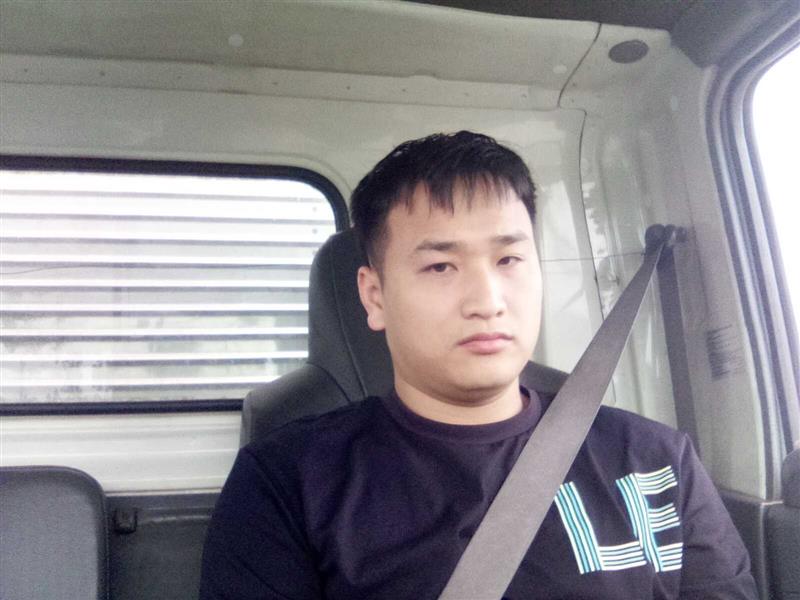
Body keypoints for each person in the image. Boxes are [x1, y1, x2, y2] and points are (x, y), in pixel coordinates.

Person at [200, 131, 757, 599]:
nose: (487, 301)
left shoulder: (658, 459)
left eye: (509, 259)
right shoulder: (286, 482)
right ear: (374, 296)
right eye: (441, 267)